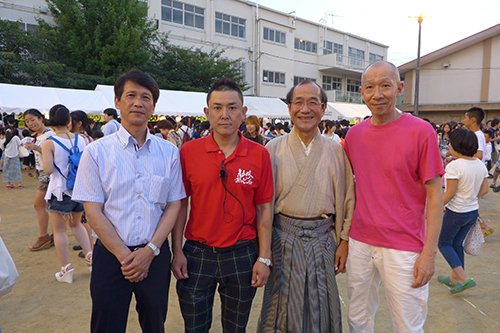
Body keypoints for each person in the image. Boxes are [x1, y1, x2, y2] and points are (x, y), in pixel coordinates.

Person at [72, 69, 185, 332]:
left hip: (154, 255)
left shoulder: (169, 152)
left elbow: (173, 205)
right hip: (110, 256)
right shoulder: (96, 152)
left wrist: (150, 252)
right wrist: (126, 256)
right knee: (106, 324)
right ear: (117, 101)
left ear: (153, 106)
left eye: (145, 97)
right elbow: (93, 211)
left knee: (155, 323)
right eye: (131, 95)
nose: (138, 103)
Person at [344, 61, 444, 332]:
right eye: (370, 87)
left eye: (385, 86)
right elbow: (351, 190)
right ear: (362, 93)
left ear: (399, 88)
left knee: (407, 324)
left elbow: (435, 196)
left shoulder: (421, 132)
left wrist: (429, 254)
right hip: (360, 242)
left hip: (405, 245)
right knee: (357, 318)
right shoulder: (353, 136)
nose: (378, 94)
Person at [172, 77, 273, 332]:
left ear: (243, 112)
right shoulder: (188, 152)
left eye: (232, 107)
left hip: (243, 254)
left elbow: (264, 209)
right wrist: (177, 251)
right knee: (194, 327)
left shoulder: (260, 154)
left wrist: (264, 256)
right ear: (207, 113)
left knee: (236, 328)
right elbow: (181, 205)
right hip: (197, 254)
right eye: (217, 107)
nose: (224, 114)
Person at [258, 80, 355, 332]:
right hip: (282, 238)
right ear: (289, 108)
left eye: (313, 102)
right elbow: (263, 205)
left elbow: (347, 198)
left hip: (323, 238)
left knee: (320, 301)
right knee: (280, 304)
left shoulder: (336, 151)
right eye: (298, 102)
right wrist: (264, 249)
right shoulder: (273, 148)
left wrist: (344, 240)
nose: (305, 109)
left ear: (323, 109)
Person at [41, 105, 93, 283]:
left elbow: (48, 169)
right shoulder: (81, 139)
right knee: (77, 224)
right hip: (79, 189)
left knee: (59, 231)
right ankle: (90, 258)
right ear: (69, 121)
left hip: (59, 190)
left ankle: (66, 268)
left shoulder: (49, 142)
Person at [437, 127, 489, 294]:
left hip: (456, 212)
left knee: (443, 243)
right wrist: (470, 196)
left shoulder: (454, 166)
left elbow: (450, 193)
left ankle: (464, 277)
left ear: (457, 146)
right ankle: (455, 278)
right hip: (472, 211)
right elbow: (484, 190)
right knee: (456, 243)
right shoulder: (480, 165)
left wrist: (433, 209)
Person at [23, 109, 56, 251]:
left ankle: (44, 236)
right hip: (44, 172)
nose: (30, 123)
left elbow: (54, 152)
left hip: (48, 173)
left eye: (32, 119)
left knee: (39, 205)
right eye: (27, 121)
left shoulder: (50, 134)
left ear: (41, 118)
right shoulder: (39, 135)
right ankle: (54, 235)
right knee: (52, 206)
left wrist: (34, 147)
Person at [463, 107, 493, 237]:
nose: (464, 120)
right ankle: (481, 226)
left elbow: (479, 154)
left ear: (473, 120)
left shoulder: (477, 135)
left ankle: (482, 226)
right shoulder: (477, 134)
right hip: (475, 173)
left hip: (475, 174)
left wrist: (461, 156)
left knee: (471, 202)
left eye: (465, 117)